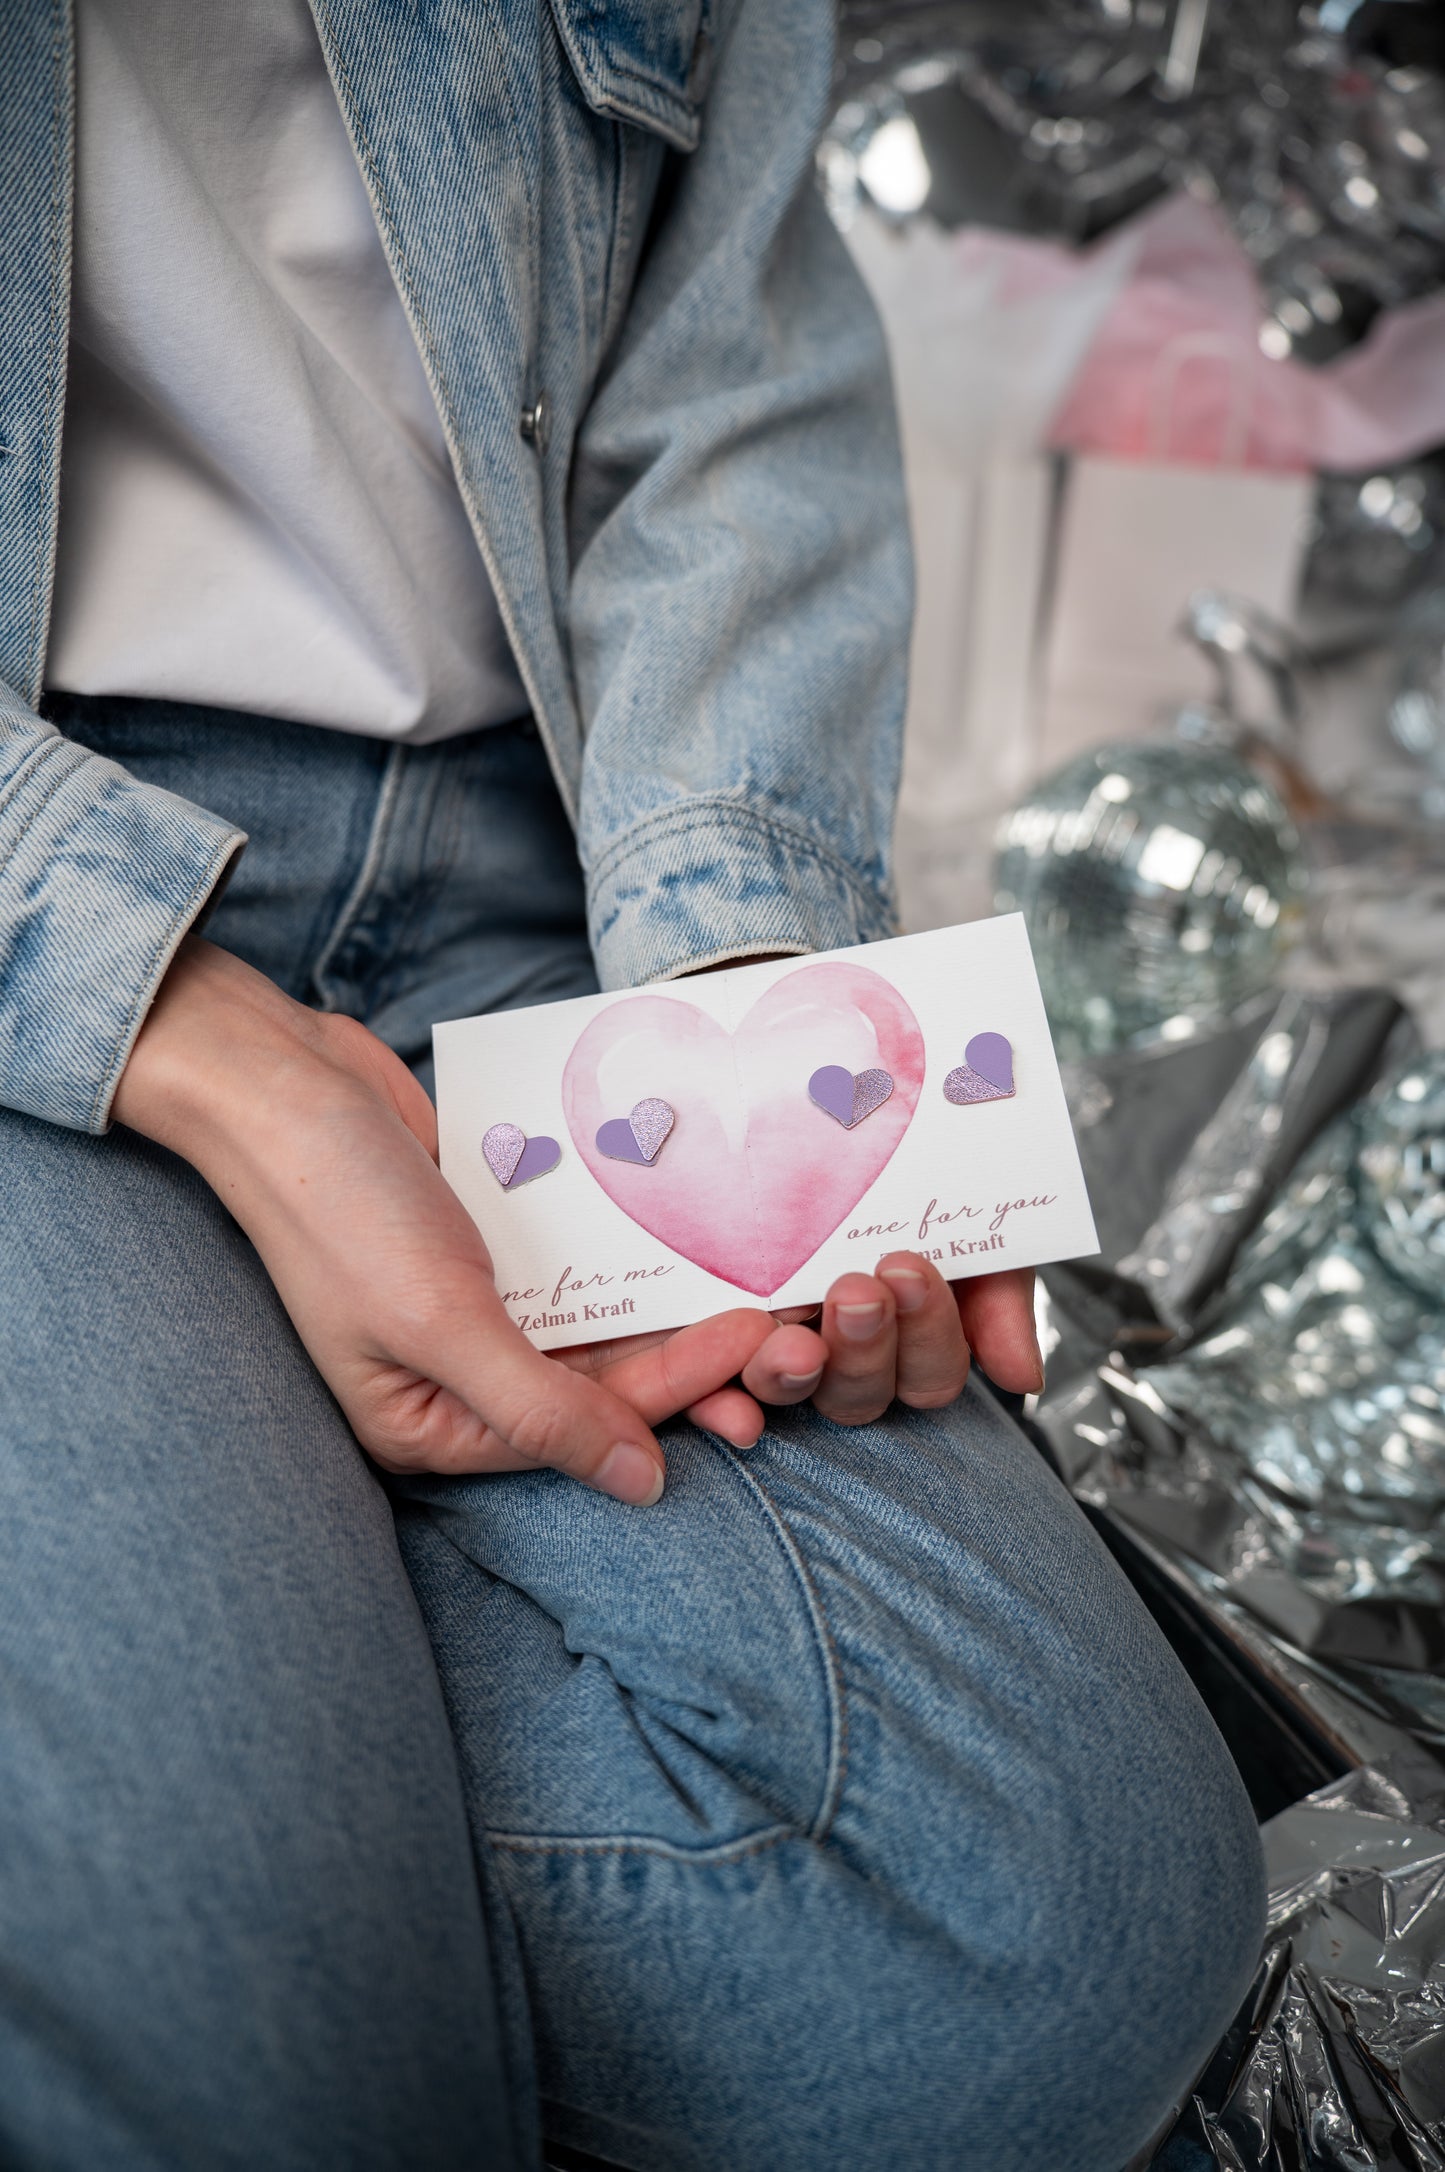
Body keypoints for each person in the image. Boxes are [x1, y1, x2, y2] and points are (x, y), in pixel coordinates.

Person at [0, 0, 1266, 2165]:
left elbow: (736, 369)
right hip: (49, 873)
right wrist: (201, 1047)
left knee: (1066, 1940)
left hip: (544, 851)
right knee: (276, 2075)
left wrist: (746, 991)